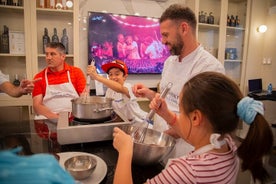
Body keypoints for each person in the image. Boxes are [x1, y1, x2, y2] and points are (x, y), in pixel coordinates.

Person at [113, 71, 273, 184]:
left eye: (181, 111)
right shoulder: (228, 145)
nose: (178, 116)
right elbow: (193, 132)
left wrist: (126, 151)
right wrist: (167, 114)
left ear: (196, 117)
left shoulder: (186, 171)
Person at [132, 4, 225, 160]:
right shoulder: (170, 62)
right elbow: (168, 98)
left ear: (183, 28)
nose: (162, 41)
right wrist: (149, 94)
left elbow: (199, 122)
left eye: (166, 35)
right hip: (160, 145)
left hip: (184, 150)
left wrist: (157, 139)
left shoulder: (209, 68)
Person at [32, 42, 86, 120]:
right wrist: (57, 118)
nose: (48, 57)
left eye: (52, 54)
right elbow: (37, 106)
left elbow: (84, 99)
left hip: (74, 118)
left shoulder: (76, 72)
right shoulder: (39, 77)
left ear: (63, 56)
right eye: (46, 54)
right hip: (48, 120)